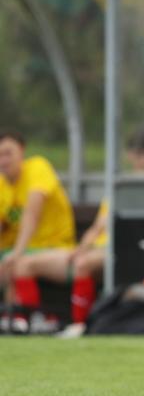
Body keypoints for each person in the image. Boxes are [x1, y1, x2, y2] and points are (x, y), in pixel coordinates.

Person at [12, 129, 144, 339]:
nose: (142, 159)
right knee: (23, 265)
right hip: (97, 250)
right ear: (129, 155)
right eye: (137, 153)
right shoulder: (120, 188)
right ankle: (30, 323)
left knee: (83, 264)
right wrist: (82, 248)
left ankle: (81, 324)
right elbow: (98, 226)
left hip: (125, 251)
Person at [0, 129, 76, 333]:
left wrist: (16, 253)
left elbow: (31, 214)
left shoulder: (37, 168)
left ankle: (25, 318)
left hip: (56, 249)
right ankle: (14, 320)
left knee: (18, 264)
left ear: (22, 151)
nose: (4, 160)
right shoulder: (1, 185)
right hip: (16, 252)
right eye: (0, 155)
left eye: (8, 153)